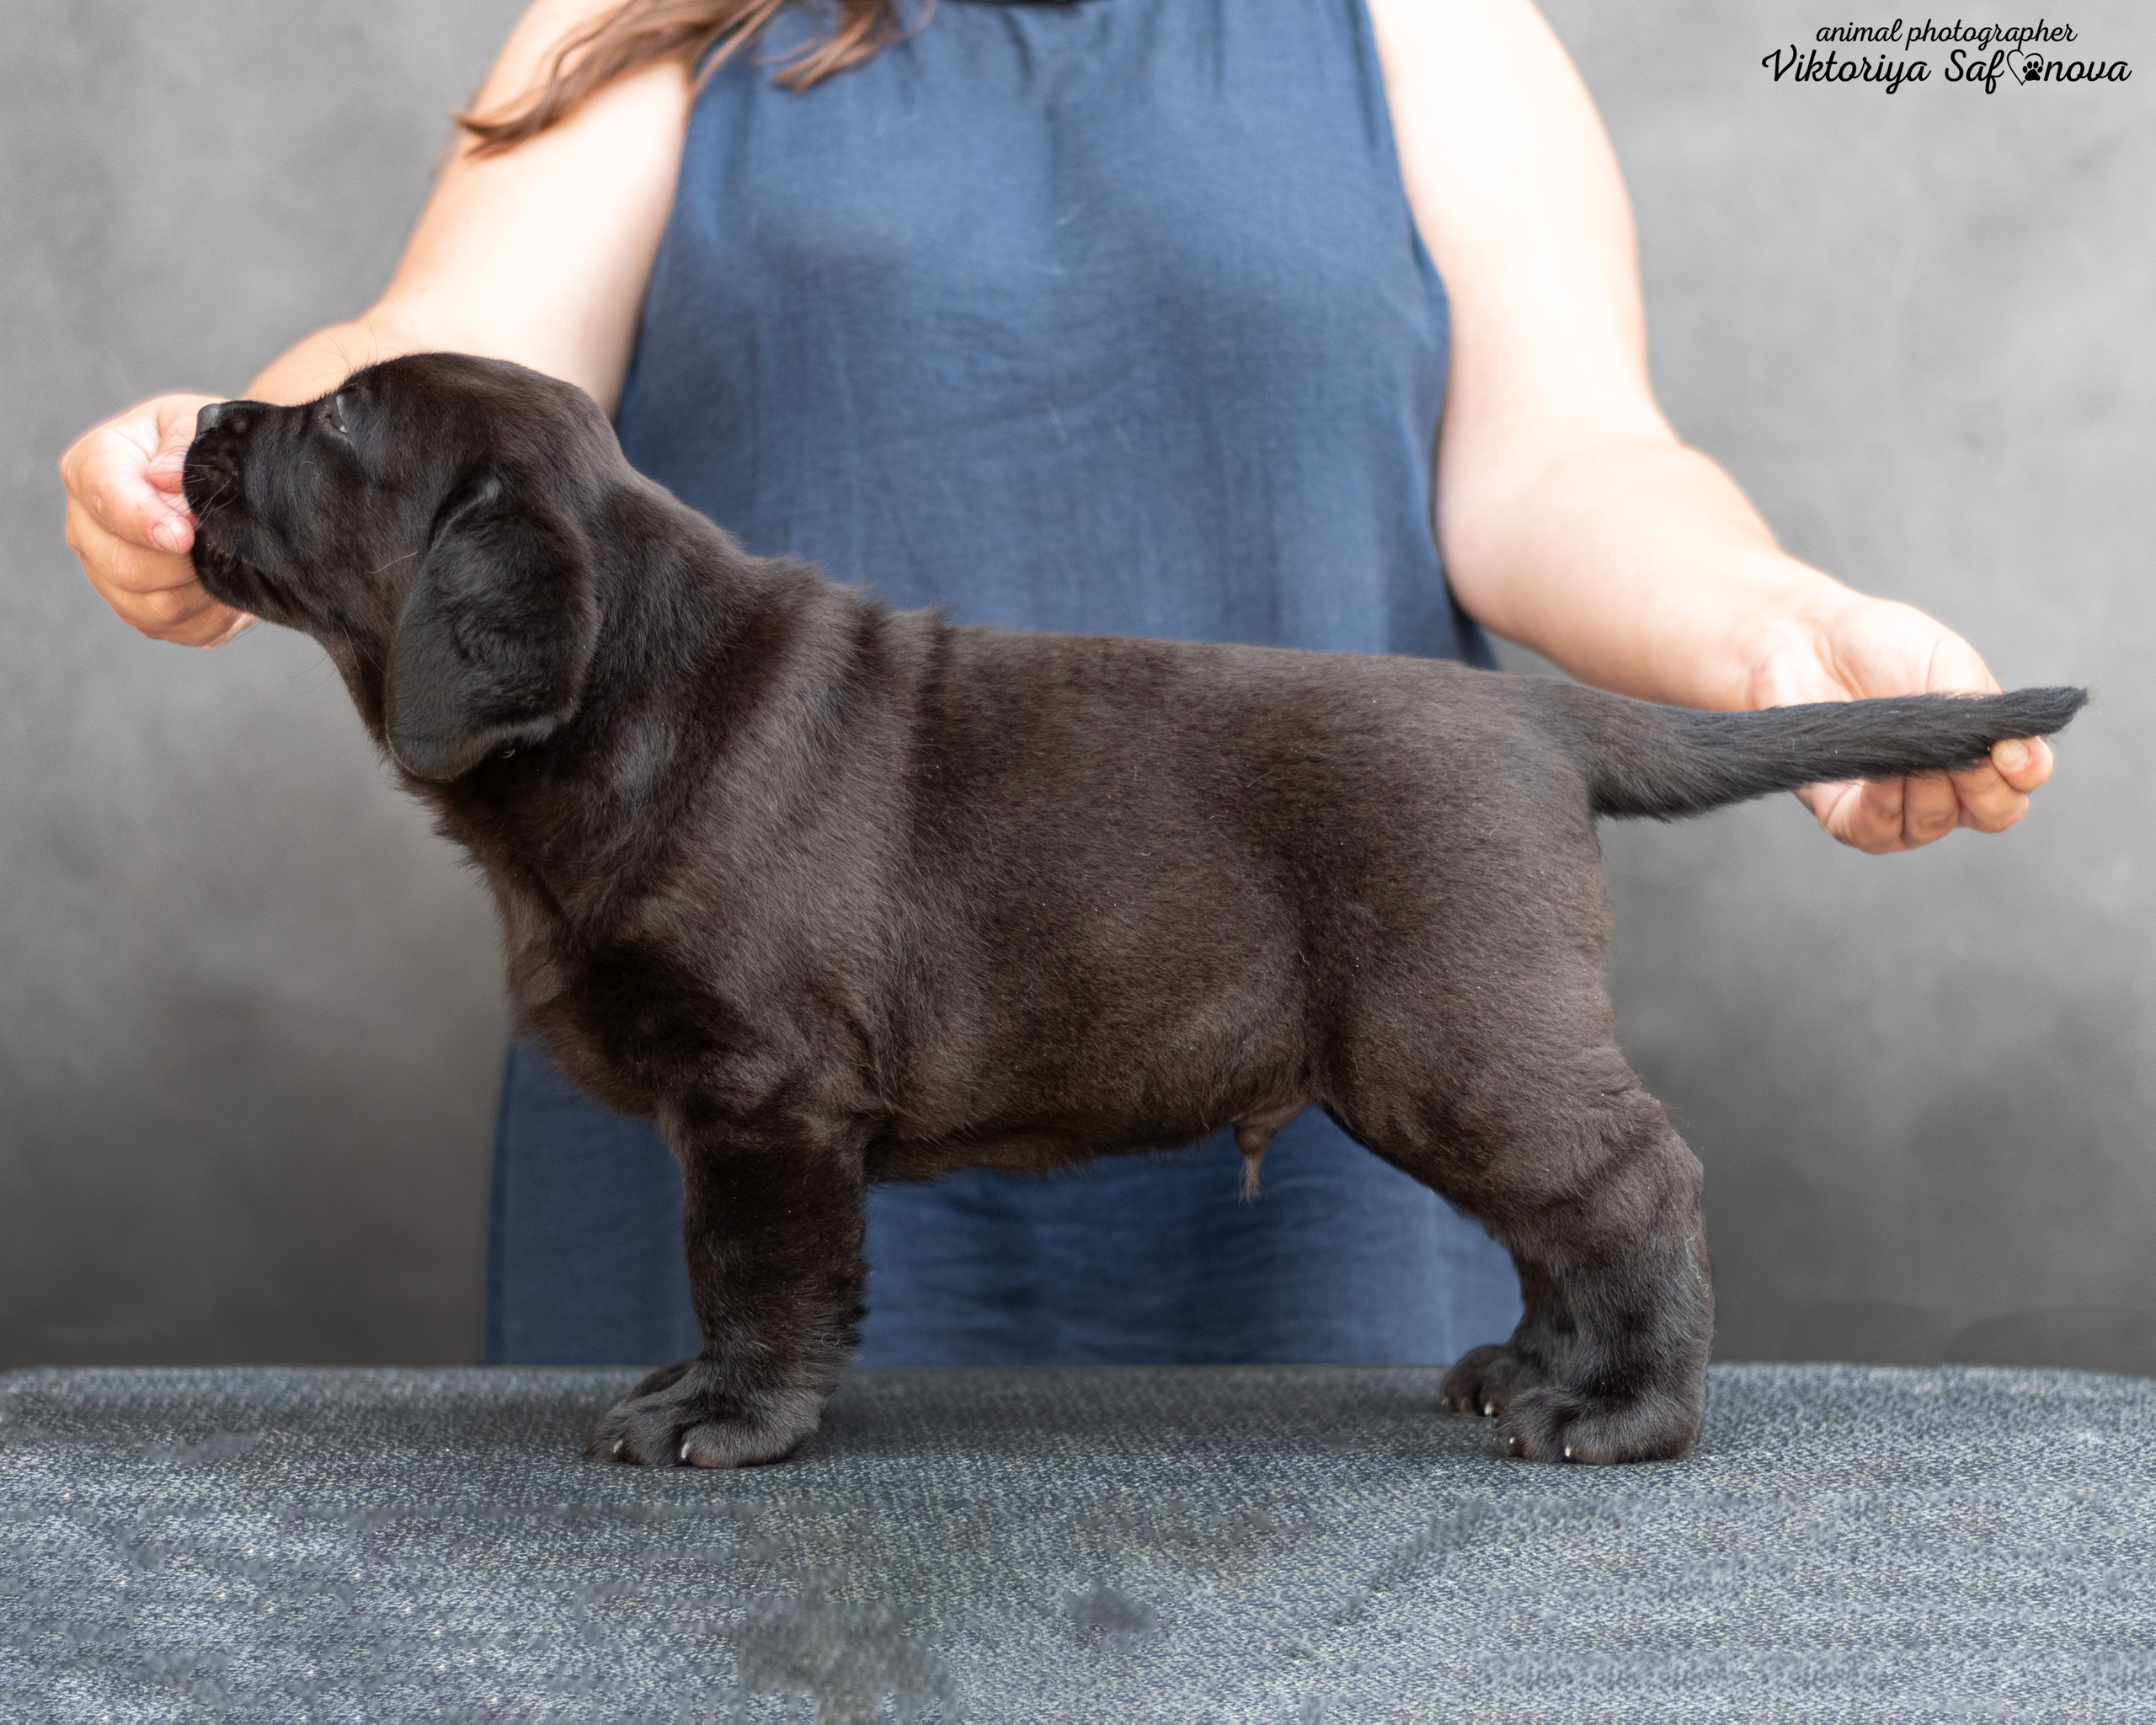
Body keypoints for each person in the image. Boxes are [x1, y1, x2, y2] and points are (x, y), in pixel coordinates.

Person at [61, 0, 2057, 1374]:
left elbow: (1566, 461)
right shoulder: (667, 20)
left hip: (1288, 1059)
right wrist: (219, 459)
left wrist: (1771, 628)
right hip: (737, 1045)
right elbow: (443, 362)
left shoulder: (1414, 23)